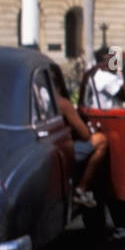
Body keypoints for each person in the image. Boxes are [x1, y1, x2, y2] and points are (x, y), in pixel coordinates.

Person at [79, 47, 125, 240]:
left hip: (110, 129)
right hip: (108, 130)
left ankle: (116, 224)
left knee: (108, 180)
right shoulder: (101, 77)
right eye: (112, 59)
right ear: (105, 59)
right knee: (111, 179)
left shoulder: (103, 75)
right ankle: (119, 225)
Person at [48, 61, 108, 208]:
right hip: (59, 150)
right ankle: (81, 189)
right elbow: (85, 134)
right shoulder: (62, 103)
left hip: (41, 147)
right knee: (101, 140)